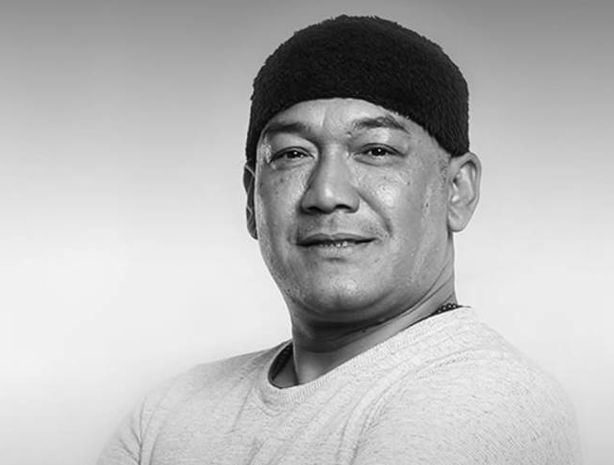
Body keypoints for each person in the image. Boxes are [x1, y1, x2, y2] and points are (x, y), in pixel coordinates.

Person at [98, 15, 580, 465]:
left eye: (376, 150)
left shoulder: (487, 398)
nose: (326, 194)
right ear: (251, 199)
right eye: (292, 154)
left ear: (457, 190)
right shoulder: (168, 413)